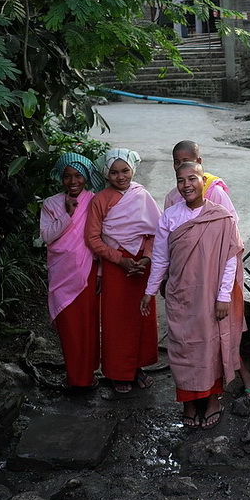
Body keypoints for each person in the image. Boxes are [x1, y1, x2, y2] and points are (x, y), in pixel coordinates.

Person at [141, 161, 245, 430]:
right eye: (180, 180)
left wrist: (223, 297)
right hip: (181, 296)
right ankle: (188, 402)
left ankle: (212, 401)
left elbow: (230, 260)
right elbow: (161, 259)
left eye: (192, 179)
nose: (186, 185)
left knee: (210, 346)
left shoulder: (221, 217)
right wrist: (150, 291)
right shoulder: (170, 216)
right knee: (183, 347)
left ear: (204, 182)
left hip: (211, 298)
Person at [163, 140, 250, 402]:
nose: (182, 169)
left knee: (219, 331)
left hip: (217, 278)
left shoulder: (214, 192)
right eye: (176, 162)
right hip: (187, 282)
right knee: (195, 336)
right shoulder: (173, 197)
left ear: (200, 163)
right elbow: (171, 243)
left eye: (188, 161)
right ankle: (197, 391)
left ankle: (238, 378)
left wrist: (222, 290)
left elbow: (231, 238)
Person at [85, 148, 162, 394]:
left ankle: (138, 368)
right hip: (116, 268)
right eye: (114, 172)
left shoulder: (142, 195)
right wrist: (119, 260)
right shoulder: (100, 200)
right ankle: (119, 372)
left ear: (133, 170)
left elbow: (155, 232)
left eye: (125, 171)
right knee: (117, 321)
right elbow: (93, 239)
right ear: (107, 174)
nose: (121, 177)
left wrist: (147, 257)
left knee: (142, 318)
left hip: (141, 267)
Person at [40, 153, 105, 389]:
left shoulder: (95, 201)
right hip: (61, 274)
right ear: (61, 178)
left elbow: (100, 237)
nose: (73, 181)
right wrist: (67, 214)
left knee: (87, 325)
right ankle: (75, 376)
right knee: (69, 327)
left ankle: (86, 376)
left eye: (78, 175)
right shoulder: (50, 203)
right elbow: (47, 236)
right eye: (67, 176)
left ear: (86, 177)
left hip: (87, 272)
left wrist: (99, 274)